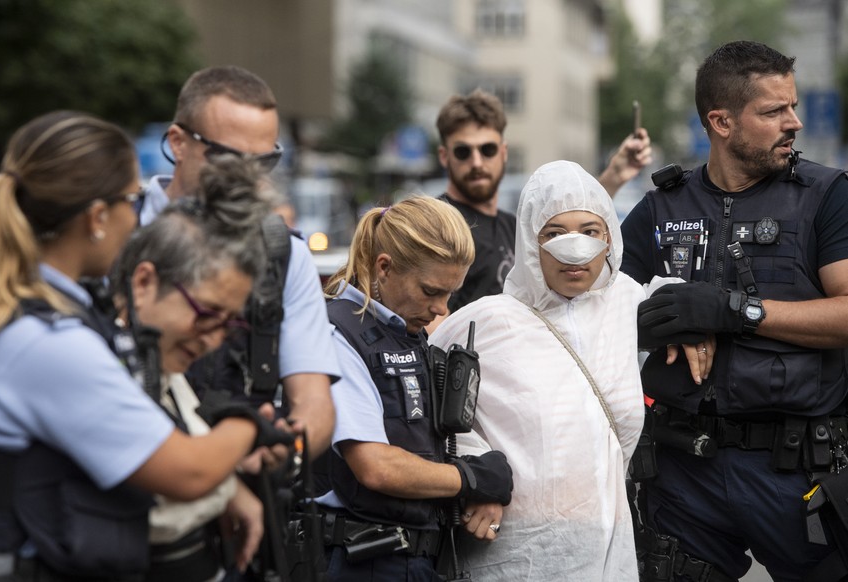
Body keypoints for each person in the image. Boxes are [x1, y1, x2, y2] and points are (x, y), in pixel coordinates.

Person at [0, 111, 286, 581]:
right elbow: (189, 472)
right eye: (133, 199)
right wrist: (252, 426)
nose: (136, 215)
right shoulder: (47, 342)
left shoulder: (34, 313)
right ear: (98, 217)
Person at [622, 40, 848, 581]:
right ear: (720, 122)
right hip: (684, 473)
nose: (793, 122)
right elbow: (595, 305)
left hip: (795, 471)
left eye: (792, 106)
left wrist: (735, 311)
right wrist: (661, 317)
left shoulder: (826, 195)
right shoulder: (662, 207)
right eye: (773, 111)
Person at [430, 160, 649, 580]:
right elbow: (424, 409)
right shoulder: (486, 323)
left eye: (589, 231)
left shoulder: (624, 302)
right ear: (530, 243)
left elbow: (674, 303)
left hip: (609, 557)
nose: (574, 246)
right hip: (516, 557)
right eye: (553, 233)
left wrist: (695, 330)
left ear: (609, 236)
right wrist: (476, 480)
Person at [147, 64, 338, 465]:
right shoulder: (120, 233)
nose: (247, 177)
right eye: (228, 157)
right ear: (178, 142)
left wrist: (288, 448)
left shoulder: (283, 254)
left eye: (263, 162)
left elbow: (315, 402)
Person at [318, 196, 514, 581]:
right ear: (385, 268)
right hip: (363, 560)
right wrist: (471, 479)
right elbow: (376, 466)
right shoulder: (338, 333)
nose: (441, 309)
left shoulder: (402, 330)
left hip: (413, 557)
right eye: (430, 291)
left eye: (450, 294)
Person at [111, 154, 280, 582]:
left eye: (229, 323)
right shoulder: (93, 360)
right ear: (144, 282)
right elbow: (182, 483)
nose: (213, 339)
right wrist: (247, 432)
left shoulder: (154, 360)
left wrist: (230, 483)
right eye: (206, 314)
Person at [434, 88, 653, 316]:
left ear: (503, 152)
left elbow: (572, 221)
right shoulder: (436, 225)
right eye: (463, 152)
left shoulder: (512, 225)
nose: (477, 162)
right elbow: (430, 317)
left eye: (487, 149)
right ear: (444, 156)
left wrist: (614, 176)